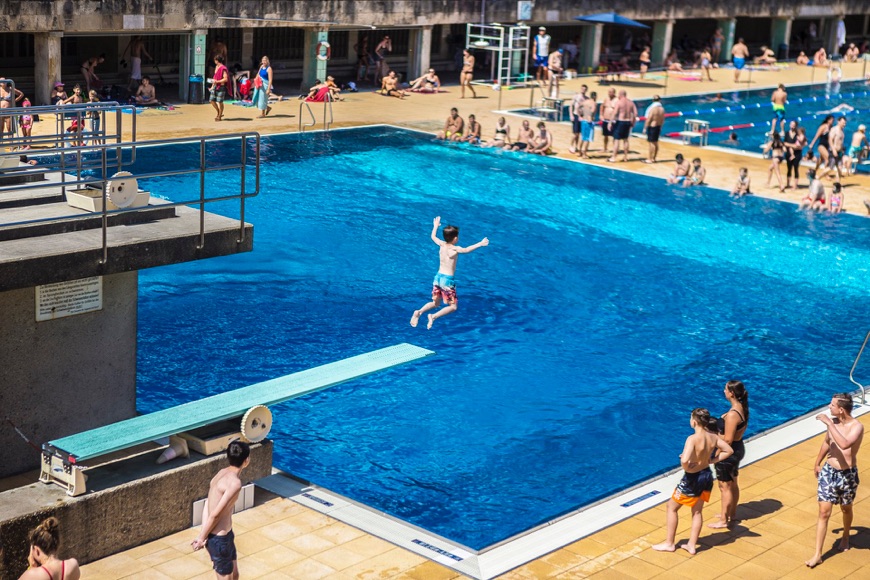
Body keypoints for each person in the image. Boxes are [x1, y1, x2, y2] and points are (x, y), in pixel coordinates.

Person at [652, 408, 733, 555]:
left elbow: (684, 460)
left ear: (694, 422)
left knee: (671, 507)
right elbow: (728, 450)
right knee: (697, 512)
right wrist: (711, 460)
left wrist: (687, 467)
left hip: (692, 478)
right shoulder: (713, 437)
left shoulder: (692, 439)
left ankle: (669, 543)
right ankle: (691, 545)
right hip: (706, 475)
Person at [805, 393, 864, 568]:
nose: (829, 407)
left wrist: (829, 423)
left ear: (841, 409)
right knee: (824, 512)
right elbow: (827, 442)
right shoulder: (834, 424)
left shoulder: (857, 427)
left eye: (832, 405)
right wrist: (817, 462)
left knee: (846, 508)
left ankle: (846, 536)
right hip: (829, 472)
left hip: (847, 475)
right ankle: (817, 554)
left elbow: (845, 444)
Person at [410, 216, 488, 330]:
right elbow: (466, 250)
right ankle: (433, 316)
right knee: (453, 307)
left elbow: (433, 237)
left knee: (436, 303)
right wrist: (480, 244)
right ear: (455, 238)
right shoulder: (454, 249)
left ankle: (419, 312)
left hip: (438, 278)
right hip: (447, 281)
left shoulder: (441, 244)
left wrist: (435, 226)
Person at [192, 440, 251, 579]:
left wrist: (204, 532)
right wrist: (202, 537)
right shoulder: (235, 484)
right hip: (219, 539)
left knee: (235, 575)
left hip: (226, 536)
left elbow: (208, 503)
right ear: (246, 460)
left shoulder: (221, 473)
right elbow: (216, 514)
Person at [708, 380, 749, 529]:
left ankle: (724, 520)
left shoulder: (732, 414)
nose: (724, 391)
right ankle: (732, 513)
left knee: (724, 487)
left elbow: (728, 440)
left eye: (725, 389)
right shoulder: (741, 408)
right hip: (737, 449)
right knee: (733, 483)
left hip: (728, 453)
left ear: (731, 393)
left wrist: (716, 456)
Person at [608, 90, 637, 163]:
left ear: (620, 95)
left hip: (620, 122)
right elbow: (635, 113)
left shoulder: (619, 102)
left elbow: (615, 113)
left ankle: (613, 157)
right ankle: (625, 157)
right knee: (626, 140)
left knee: (616, 140)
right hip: (628, 122)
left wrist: (610, 123)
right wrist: (633, 122)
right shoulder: (631, 102)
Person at [824, 116, 847, 181]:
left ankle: (838, 183)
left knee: (840, 167)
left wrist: (842, 150)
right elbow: (830, 140)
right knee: (830, 168)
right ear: (838, 122)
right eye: (843, 123)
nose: (844, 124)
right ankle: (818, 177)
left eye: (845, 123)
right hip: (833, 151)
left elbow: (841, 142)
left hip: (839, 152)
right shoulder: (834, 129)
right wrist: (833, 150)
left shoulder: (842, 131)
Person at [643, 95, 664, 164]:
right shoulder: (662, 109)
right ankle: (654, 158)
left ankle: (650, 159)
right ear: (660, 100)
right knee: (656, 143)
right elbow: (662, 119)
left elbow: (649, 119)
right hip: (658, 127)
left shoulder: (653, 109)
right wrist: (660, 127)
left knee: (651, 143)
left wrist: (645, 128)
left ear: (653, 100)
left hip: (652, 127)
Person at [210, 55, 231, 122]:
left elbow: (225, 79)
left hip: (221, 86)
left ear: (217, 60)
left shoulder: (223, 68)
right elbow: (215, 77)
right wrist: (212, 86)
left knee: (220, 101)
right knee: (211, 100)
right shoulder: (216, 67)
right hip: (215, 86)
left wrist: (217, 81)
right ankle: (219, 112)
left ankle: (219, 116)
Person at [568, 85, 588, 154]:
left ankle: (576, 146)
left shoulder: (586, 98)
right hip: (576, 115)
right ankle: (571, 145)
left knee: (579, 133)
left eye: (585, 89)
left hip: (582, 117)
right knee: (575, 133)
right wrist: (571, 115)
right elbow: (571, 106)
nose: (583, 90)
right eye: (582, 89)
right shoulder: (576, 97)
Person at [578, 91, 597, 159]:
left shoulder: (585, 102)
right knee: (587, 138)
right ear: (595, 97)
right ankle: (584, 154)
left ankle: (579, 152)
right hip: (589, 122)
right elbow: (592, 111)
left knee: (582, 137)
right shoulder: (593, 103)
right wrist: (590, 116)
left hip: (583, 120)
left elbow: (578, 107)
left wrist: (580, 115)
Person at [600, 88, 618, 153]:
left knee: (614, 136)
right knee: (605, 135)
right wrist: (601, 115)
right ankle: (605, 148)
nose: (609, 93)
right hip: (605, 119)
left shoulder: (617, 100)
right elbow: (602, 106)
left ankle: (615, 149)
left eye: (611, 92)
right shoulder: (606, 99)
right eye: (609, 92)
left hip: (613, 121)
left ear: (614, 92)